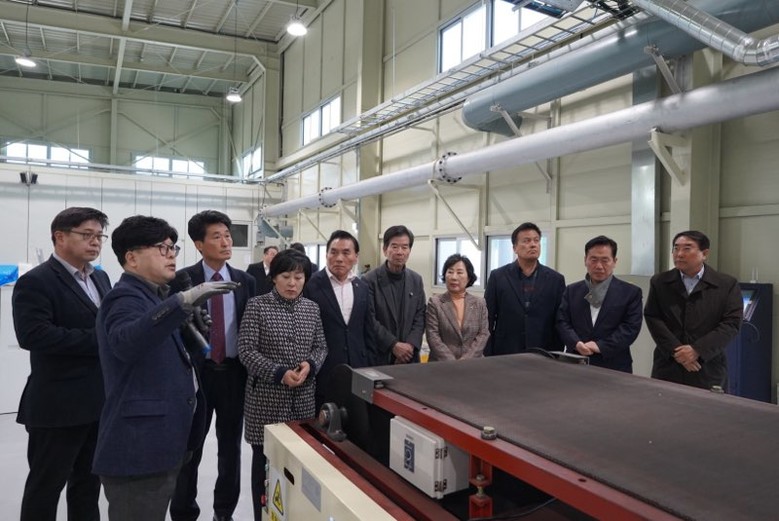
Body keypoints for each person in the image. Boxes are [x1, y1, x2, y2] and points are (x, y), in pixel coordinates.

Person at [93, 215, 238, 521]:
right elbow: (126, 342)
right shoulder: (124, 297)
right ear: (132, 257)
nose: (171, 255)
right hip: (139, 448)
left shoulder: (153, 297)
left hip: (160, 441)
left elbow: (163, 358)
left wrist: (188, 332)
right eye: (162, 248)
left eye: (173, 248)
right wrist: (180, 303)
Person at [12, 207, 111, 521]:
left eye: (100, 236)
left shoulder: (100, 277)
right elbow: (34, 335)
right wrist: (101, 341)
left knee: (88, 487)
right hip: (57, 406)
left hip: (97, 402)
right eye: (87, 235)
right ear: (60, 237)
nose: (95, 242)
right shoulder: (36, 281)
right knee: (45, 487)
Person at [170, 210, 257, 521]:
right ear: (199, 244)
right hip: (197, 375)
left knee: (230, 449)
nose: (225, 242)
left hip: (234, 373)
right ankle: (184, 511)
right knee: (189, 448)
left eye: (228, 235)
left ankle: (224, 512)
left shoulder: (246, 281)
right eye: (217, 236)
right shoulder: (183, 280)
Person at [238, 249, 327, 521]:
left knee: (297, 468)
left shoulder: (311, 309)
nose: (292, 283)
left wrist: (310, 364)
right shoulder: (257, 306)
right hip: (266, 403)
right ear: (274, 277)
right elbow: (246, 351)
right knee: (264, 470)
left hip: (302, 402)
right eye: (286, 276)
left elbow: (321, 347)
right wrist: (279, 373)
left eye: (298, 277)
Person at [644, 230, 742, 390]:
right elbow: (653, 317)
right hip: (668, 364)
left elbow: (731, 324)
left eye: (687, 248)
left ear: (705, 254)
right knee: (664, 404)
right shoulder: (660, 282)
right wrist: (678, 353)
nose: (679, 254)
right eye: (676, 248)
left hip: (707, 366)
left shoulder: (726, 284)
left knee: (707, 405)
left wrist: (697, 350)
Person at [303, 230, 376, 410]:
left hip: (358, 371)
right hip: (324, 371)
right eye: (334, 252)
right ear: (326, 254)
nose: (339, 258)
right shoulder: (311, 285)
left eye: (346, 253)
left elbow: (368, 330)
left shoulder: (362, 287)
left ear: (356, 257)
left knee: (357, 422)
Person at [556, 236, 643, 372]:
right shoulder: (572, 290)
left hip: (614, 365)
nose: (599, 266)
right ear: (585, 260)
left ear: (614, 262)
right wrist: (576, 343)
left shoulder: (630, 293)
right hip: (576, 362)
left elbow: (630, 328)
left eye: (605, 260)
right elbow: (562, 321)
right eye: (593, 260)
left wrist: (599, 346)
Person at [485, 222, 565, 355]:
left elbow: (560, 320)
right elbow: (488, 317)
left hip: (543, 351)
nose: (533, 244)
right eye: (526, 241)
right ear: (515, 248)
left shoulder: (555, 279)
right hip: (505, 351)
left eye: (536, 240)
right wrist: (488, 352)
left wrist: (556, 352)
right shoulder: (498, 277)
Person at [363, 225, 426, 364]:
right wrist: (393, 345)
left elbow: (420, 316)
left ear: (409, 250)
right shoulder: (369, 280)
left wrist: (410, 346)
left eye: (404, 247)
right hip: (381, 356)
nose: (400, 252)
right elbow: (369, 319)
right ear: (385, 249)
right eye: (395, 246)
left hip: (409, 357)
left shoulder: (416, 280)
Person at [425, 254, 489, 361]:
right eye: (450, 272)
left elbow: (483, 334)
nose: (454, 277)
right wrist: (453, 363)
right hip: (441, 364)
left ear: (469, 277)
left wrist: (466, 360)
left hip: (473, 364)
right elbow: (433, 336)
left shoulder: (479, 303)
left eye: (459, 272)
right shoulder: (435, 303)